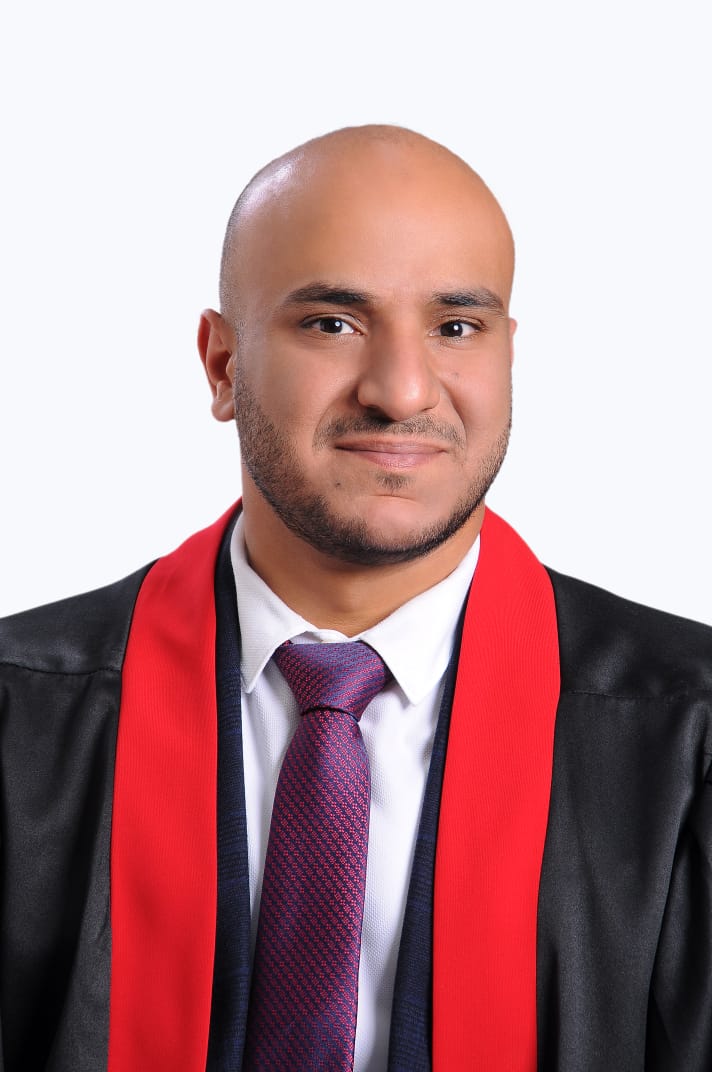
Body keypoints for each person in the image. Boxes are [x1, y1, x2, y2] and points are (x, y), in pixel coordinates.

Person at [0, 125, 710, 1072]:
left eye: (456, 327)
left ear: (507, 355)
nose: (402, 391)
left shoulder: (687, 732)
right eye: (332, 323)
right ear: (221, 365)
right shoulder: (19, 716)